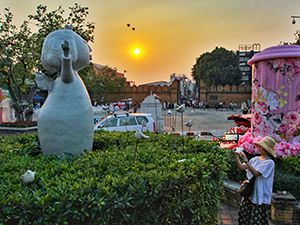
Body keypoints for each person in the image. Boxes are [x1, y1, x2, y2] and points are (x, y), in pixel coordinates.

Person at [234, 136, 277, 225]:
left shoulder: (269, 163)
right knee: (244, 218)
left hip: (260, 196)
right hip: (249, 194)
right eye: (260, 146)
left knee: (258, 221)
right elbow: (241, 167)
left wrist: (246, 160)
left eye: (262, 147)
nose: (259, 148)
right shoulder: (255, 159)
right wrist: (237, 156)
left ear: (267, 149)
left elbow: (256, 173)